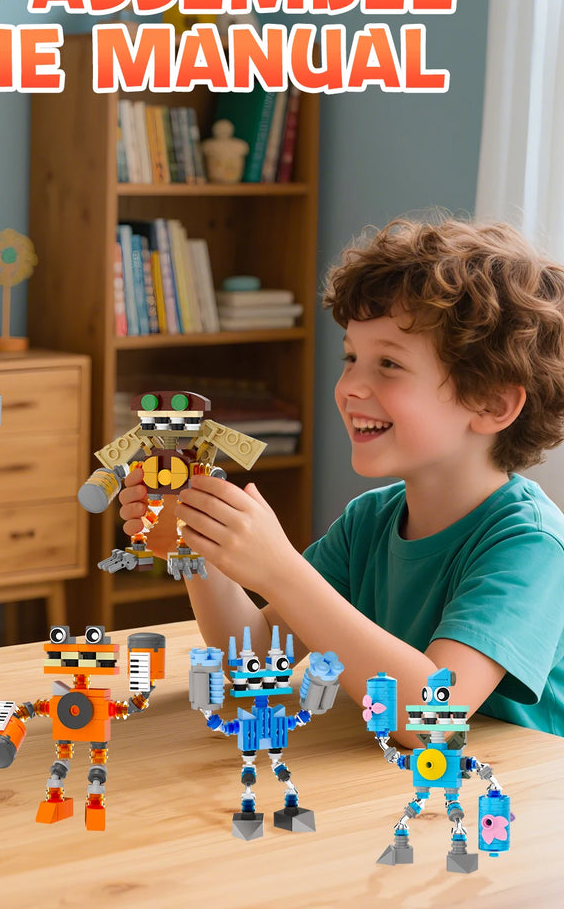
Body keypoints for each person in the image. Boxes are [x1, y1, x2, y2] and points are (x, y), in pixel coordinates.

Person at [119, 216, 564, 739]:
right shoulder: (369, 522)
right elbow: (254, 667)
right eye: (351, 357)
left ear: (491, 404)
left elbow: (430, 721)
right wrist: (198, 547)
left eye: (389, 364)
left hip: (510, 786)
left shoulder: (530, 545)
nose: (350, 385)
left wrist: (282, 571)